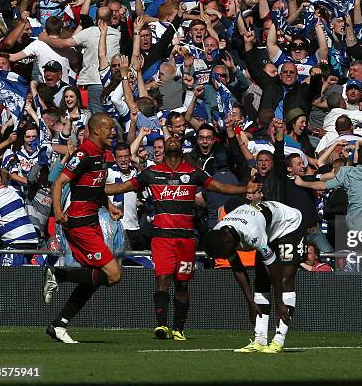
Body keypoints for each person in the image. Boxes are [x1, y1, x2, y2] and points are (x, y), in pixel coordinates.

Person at [104, 136, 260, 340]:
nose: (173, 141)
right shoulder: (151, 173)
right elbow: (121, 187)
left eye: (177, 139)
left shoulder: (193, 173)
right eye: (169, 140)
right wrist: (92, 188)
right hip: (162, 238)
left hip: (186, 239)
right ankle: (161, 326)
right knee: (162, 279)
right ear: (163, 148)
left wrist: (244, 189)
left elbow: (219, 187)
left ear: (182, 149)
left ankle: (178, 329)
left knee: (183, 284)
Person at [44, 113, 123, 344]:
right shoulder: (84, 153)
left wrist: (108, 206)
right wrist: (58, 211)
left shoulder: (101, 154)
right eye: (109, 128)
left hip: (92, 221)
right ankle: (59, 274)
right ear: (96, 130)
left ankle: (59, 325)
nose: (114, 132)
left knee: (91, 280)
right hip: (79, 223)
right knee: (113, 274)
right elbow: (58, 182)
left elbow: (96, 187)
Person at [202, 200, 306, 354]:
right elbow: (238, 269)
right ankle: (260, 339)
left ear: (228, 242)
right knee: (261, 281)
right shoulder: (219, 234)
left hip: (289, 226)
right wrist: (250, 302)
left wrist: (279, 302)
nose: (224, 257)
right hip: (268, 230)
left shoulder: (252, 233)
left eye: (223, 254)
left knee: (285, 280)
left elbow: (273, 267)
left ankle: (278, 340)